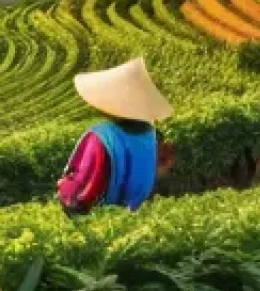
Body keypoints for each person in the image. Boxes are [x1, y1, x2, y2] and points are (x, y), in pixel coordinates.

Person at [57, 57, 173, 217]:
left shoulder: (101, 136)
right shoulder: (150, 134)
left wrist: (64, 188)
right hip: (132, 217)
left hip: (100, 220)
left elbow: (81, 193)